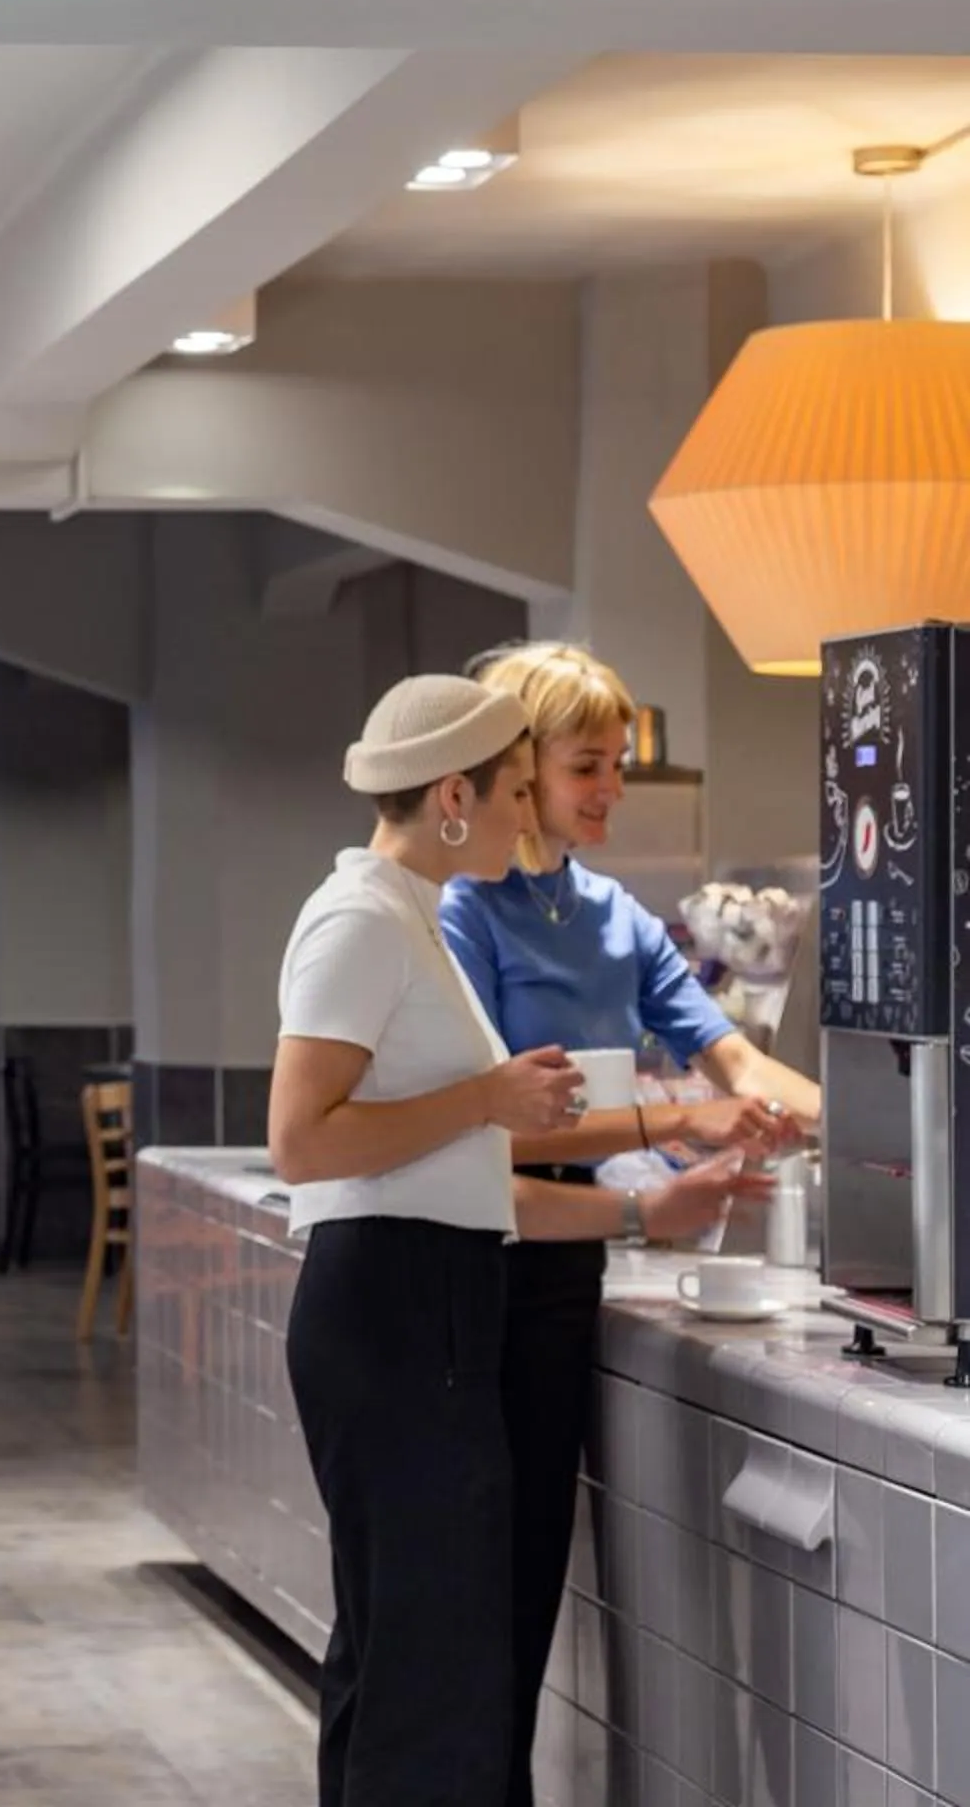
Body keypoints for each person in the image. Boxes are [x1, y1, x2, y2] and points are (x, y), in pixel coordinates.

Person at [270, 676, 763, 1807]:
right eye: (514, 793)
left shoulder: (409, 916)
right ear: (455, 796)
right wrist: (489, 1099)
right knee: (427, 1671)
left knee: (418, 1656)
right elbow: (300, 1140)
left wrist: (609, 1183)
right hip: (395, 1305)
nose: (527, 817)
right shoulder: (363, 918)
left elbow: (461, 1164)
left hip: (432, 1297)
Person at [439, 640, 818, 1804]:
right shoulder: (463, 911)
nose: (610, 788)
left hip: (564, 1271)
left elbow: (735, 1057)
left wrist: (848, 1118)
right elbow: (478, 1131)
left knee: (525, 1587)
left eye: (618, 765)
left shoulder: (614, 914)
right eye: (586, 765)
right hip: (470, 1270)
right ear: (520, 766)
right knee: (457, 1604)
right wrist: (677, 1126)